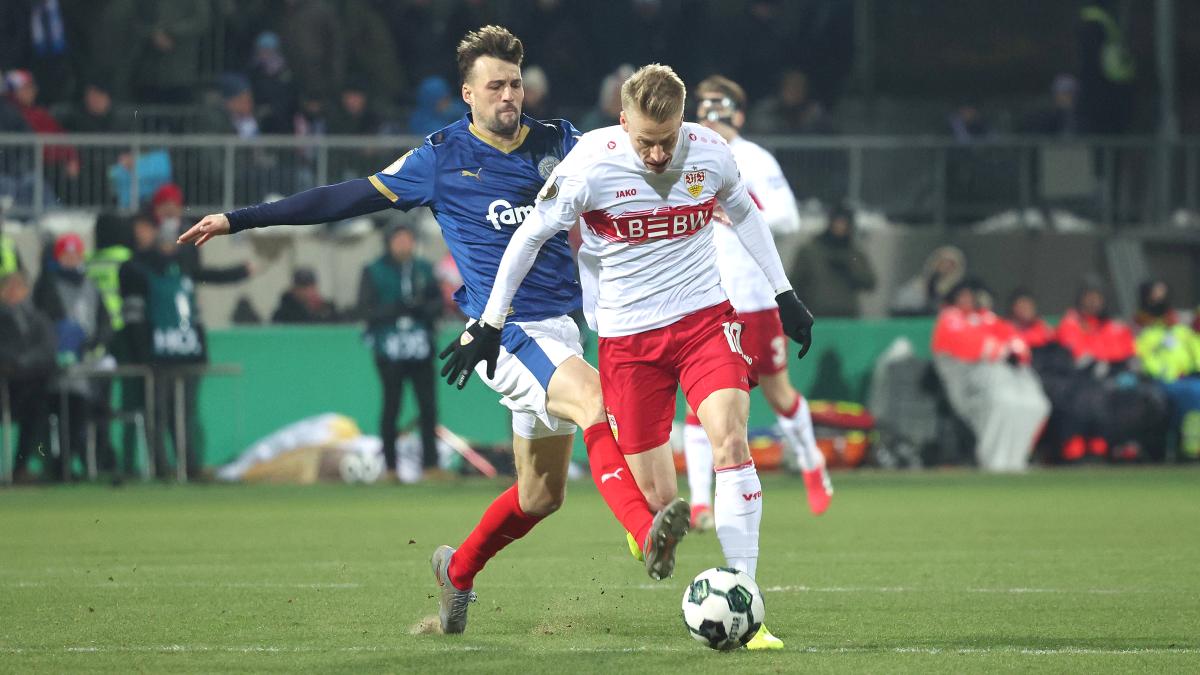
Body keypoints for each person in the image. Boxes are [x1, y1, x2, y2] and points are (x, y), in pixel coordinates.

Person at [177, 26, 682, 636]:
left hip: (562, 331)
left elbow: (634, 156)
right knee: (595, 400)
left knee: (540, 496)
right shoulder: (440, 159)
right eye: (494, 86)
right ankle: (644, 533)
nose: (508, 96)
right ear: (467, 93)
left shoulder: (560, 142)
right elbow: (346, 197)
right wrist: (240, 219)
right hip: (502, 334)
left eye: (514, 84)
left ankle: (456, 571)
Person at [442, 64, 815, 650]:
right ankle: (644, 526)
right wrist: (490, 322)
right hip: (628, 342)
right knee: (661, 503)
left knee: (730, 438)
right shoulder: (590, 163)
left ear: (684, 122)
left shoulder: (710, 152)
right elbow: (529, 236)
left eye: (668, 139)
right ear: (623, 122)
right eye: (646, 141)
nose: (659, 153)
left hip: (703, 321)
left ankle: (748, 605)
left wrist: (783, 294)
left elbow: (744, 212)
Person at [682, 74, 831, 531]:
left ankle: (812, 463)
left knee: (778, 393)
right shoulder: (687, 156)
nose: (709, 114)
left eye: (718, 105)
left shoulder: (754, 158)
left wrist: (741, 208)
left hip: (754, 298)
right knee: (699, 402)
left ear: (738, 114)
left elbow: (788, 217)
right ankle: (699, 502)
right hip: (706, 299)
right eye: (703, 105)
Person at [120, 212, 208, 479]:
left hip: (176, 352)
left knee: (180, 413)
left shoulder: (155, 270)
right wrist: (144, 353)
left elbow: (194, 315)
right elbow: (138, 317)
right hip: (166, 353)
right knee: (163, 412)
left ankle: (186, 466)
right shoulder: (147, 271)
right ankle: (166, 466)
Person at [931, 281, 1050, 472]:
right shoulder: (950, 317)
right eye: (962, 295)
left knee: (1036, 405)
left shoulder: (987, 318)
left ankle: (1016, 460)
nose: (966, 299)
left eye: (970, 295)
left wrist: (1012, 351)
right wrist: (1001, 350)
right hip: (969, 383)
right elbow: (967, 344)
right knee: (1003, 402)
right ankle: (995, 462)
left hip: (1000, 377)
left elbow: (1016, 341)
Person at [357, 224, 442, 478]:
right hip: (389, 348)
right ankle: (390, 467)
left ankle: (431, 465)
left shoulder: (423, 269)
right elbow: (365, 308)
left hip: (420, 346)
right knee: (391, 405)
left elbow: (437, 303)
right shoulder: (374, 270)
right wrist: (396, 309)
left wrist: (421, 310)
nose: (404, 245)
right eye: (399, 240)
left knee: (428, 406)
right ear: (389, 242)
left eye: (408, 240)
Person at [32, 233, 114, 475]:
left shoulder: (91, 285)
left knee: (92, 412)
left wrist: (94, 344)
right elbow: (45, 323)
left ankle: (95, 461)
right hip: (59, 363)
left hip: (87, 361)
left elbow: (104, 322)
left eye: (74, 254)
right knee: (68, 413)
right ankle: (65, 464)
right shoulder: (47, 285)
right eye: (66, 255)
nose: (71, 259)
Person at [0, 270, 57, 481]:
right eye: (8, 287)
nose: (13, 292)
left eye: (18, 287)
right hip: (4, 383)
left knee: (41, 408)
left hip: (30, 385)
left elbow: (47, 350)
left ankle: (22, 467)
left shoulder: (38, 319)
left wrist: (21, 363)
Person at [1134, 280, 1200, 460]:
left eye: (1162, 294)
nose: (1159, 299)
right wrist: (1160, 372)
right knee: (1195, 392)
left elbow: (1194, 352)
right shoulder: (1141, 329)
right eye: (1155, 295)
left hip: (1186, 378)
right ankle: (1191, 448)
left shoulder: (1180, 329)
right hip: (1160, 381)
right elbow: (1141, 359)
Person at [790, 206, 876, 318]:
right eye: (837, 222)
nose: (840, 227)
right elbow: (795, 282)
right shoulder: (811, 251)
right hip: (816, 313)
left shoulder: (854, 253)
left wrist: (850, 267)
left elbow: (869, 282)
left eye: (844, 223)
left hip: (847, 315)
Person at [890, 245, 967, 317]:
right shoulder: (923, 283)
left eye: (950, 264)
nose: (946, 266)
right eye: (943, 262)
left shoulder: (961, 288)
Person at [272, 268, 338, 324]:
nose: (307, 292)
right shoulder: (284, 314)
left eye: (311, 287)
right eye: (303, 288)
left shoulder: (327, 309)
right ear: (295, 290)